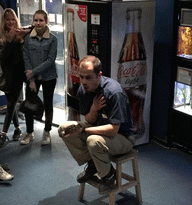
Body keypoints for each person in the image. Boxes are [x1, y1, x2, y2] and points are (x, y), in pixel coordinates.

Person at [58, 55, 135, 194]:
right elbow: (90, 120)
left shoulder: (113, 92)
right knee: (64, 129)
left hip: (123, 137)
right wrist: (94, 108)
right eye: (81, 77)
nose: (83, 81)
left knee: (93, 141)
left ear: (99, 75)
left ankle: (108, 175)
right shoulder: (84, 90)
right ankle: (93, 164)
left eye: (88, 77)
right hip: (101, 131)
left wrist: (83, 130)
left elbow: (113, 130)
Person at [20, 10, 57, 146]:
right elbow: (26, 58)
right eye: (36, 20)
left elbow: (50, 60)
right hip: (32, 78)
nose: (38, 23)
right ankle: (29, 132)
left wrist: (33, 72)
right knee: (29, 104)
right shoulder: (28, 38)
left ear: (46, 21)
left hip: (49, 77)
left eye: (41, 20)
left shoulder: (53, 39)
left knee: (48, 104)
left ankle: (47, 132)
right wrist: (31, 80)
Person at [0, 8, 30, 147]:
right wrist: (9, 40)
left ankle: (3, 133)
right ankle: (18, 129)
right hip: (6, 76)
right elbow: (3, 58)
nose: (11, 22)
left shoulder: (20, 33)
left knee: (11, 104)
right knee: (11, 102)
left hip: (18, 74)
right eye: (8, 20)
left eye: (13, 19)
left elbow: (35, 26)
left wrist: (23, 33)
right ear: (4, 21)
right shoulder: (2, 36)